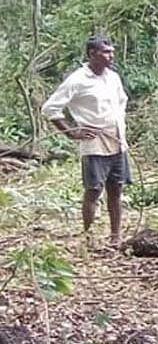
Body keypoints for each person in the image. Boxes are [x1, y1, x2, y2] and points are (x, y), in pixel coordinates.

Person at [42, 35, 132, 249]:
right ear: (92, 54)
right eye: (106, 52)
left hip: (117, 139)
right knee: (93, 189)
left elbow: (122, 102)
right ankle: (88, 236)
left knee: (116, 189)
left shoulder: (113, 77)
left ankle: (115, 236)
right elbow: (50, 108)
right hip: (94, 143)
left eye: (112, 51)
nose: (111, 56)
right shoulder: (77, 80)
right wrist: (71, 131)